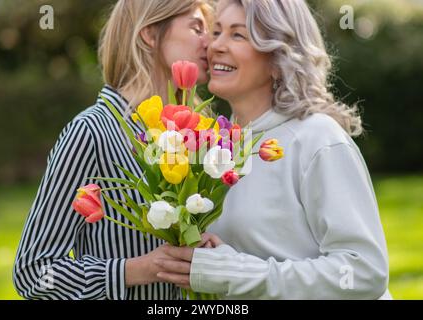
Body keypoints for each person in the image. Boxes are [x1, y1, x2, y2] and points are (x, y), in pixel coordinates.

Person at [155, 0, 392, 299]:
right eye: (216, 32)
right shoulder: (214, 145)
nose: (215, 46)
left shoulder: (317, 138)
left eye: (237, 35)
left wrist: (233, 272)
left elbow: (364, 271)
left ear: (278, 57)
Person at [13, 0, 212, 300]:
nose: (210, 42)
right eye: (197, 27)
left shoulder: (187, 134)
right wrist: (140, 269)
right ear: (149, 33)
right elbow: (34, 273)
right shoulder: (91, 132)